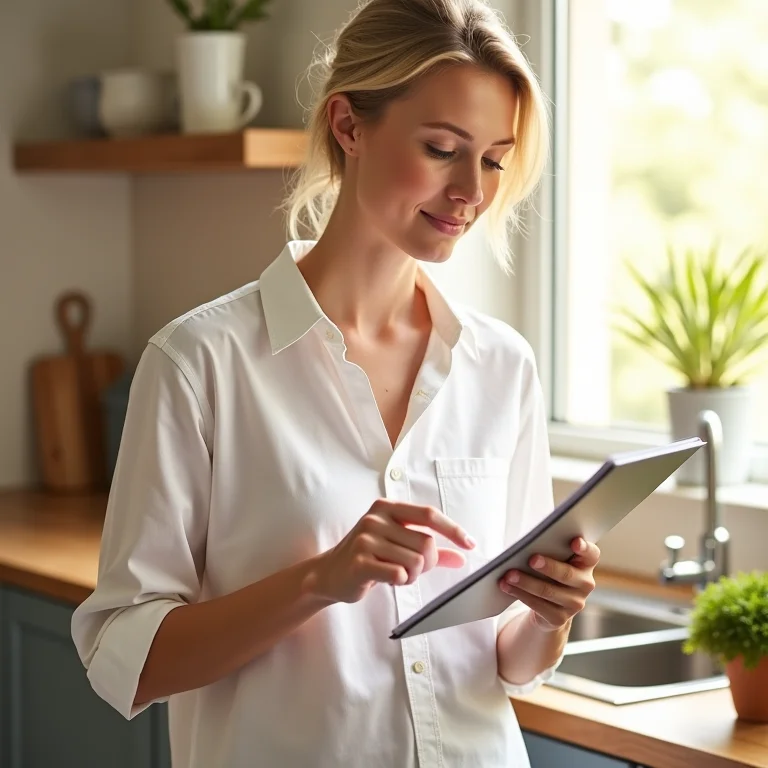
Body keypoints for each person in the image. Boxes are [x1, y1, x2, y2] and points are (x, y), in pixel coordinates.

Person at [71, 1, 601, 766]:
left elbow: (505, 665)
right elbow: (125, 655)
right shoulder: (201, 363)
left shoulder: (502, 365)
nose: (471, 192)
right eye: (442, 148)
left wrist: (549, 616)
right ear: (349, 126)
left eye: (492, 159)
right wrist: (321, 579)